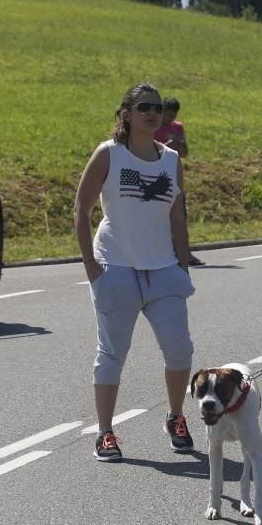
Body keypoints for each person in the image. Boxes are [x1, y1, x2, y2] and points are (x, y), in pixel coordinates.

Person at [74, 82, 197, 463]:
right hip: (116, 267)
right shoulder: (109, 154)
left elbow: (177, 216)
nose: (152, 113)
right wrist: (91, 267)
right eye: (143, 106)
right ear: (126, 114)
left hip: (163, 271)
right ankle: (105, 433)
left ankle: (175, 417)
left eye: (157, 107)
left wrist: (183, 262)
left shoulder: (171, 159)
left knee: (180, 350)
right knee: (111, 354)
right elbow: (82, 208)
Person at [156, 96, 204, 266]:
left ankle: (185, 254)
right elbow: (150, 153)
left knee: (180, 216)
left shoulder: (177, 127)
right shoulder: (153, 127)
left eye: (173, 116)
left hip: (174, 176)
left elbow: (184, 154)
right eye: (167, 115)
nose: (170, 119)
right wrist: (168, 145)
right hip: (154, 177)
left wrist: (180, 144)